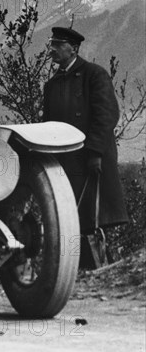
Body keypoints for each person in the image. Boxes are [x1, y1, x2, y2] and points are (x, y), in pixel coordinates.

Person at [43, 27, 128, 237]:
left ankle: (101, 266)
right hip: (64, 161)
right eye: (51, 44)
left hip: (91, 158)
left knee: (94, 220)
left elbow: (107, 115)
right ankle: (80, 267)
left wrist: (95, 153)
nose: (52, 49)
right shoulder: (52, 85)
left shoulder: (94, 74)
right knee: (70, 220)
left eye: (58, 44)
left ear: (73, 49)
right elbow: (48, 124)